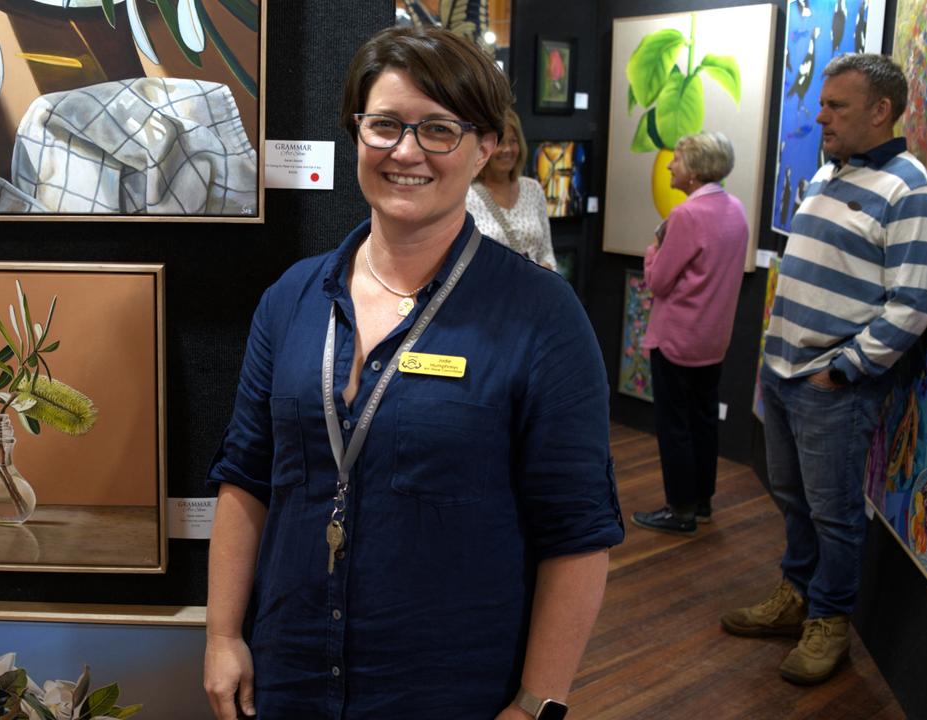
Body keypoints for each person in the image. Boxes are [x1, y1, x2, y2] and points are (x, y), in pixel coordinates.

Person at [203, 25, 623, 720]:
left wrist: (535, 704)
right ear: (355, 133)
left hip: (449, 688)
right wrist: (222, 635)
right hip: (288, 674)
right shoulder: (291, 301)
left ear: (485, 145)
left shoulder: (542, 317)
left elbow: (576, 534)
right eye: (386, 125)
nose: (406, 151)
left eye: (439, 130)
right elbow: (246, 477)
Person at [721, 53, 927, 685]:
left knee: (835, 514)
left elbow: (915, 301)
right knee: (793, 500)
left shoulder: (909, 188)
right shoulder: (827, 174)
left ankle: (830, 624)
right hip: (786, 374)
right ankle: (796, 597)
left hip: (830, 387)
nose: (820, 115)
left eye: (835, 106)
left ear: (881, 110)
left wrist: (843, 371)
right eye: (822, 103)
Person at [631, 132, 748, 535]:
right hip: (712, 340)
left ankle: (678, 508)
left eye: (677, 159)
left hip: (677, 338)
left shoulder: (685, 216)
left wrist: (653, 249)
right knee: (703, 420)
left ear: (695, 170)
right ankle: (700, 502)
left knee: (674, 424)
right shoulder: (735, 209)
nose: (669, 165)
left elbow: (658, 281)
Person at [466, 108, 557, 270]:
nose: (507, 149)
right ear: (484, 149)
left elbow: (546, 251)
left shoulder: (533, 189)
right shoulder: (466, 195)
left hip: (532, 291)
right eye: (500, 143)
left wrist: (545, 272)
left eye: (513, 141)